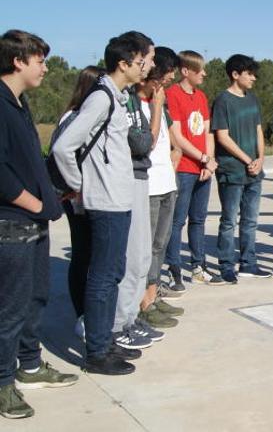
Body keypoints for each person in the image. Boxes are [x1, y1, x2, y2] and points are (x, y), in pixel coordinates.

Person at [54, 32, 155, 375]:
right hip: (105, 201)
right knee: (102, 277)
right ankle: (96, 352)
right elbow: (63, 147)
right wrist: (80, 186)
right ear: (124, 63)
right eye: (144, 61)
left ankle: (105, 340)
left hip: (118, 197)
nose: (148, 67)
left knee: (111, 274)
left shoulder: (118, 94)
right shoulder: (101, 97)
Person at [0, 30, 76, 419]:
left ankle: (29, 366)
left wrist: (51, 196)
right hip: (11, 223)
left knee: (35, 298)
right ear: (18, 61)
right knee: (9, 308)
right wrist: (35, 203)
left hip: (34, 221)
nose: (45, 68)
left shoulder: (18, 101)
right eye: (40, 61)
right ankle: (3, 384)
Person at [111, 32, 159, 352]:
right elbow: (141, 142)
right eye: (148, 59)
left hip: (140, 175)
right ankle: (117, 325)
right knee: (129, 258)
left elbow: (143, 142)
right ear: (130, 59)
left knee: (142, 256)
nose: (150, 65)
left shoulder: (130, 96)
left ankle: (129, 318)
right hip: (126, 179)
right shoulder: (112, 95)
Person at [137, 47, 184, 331]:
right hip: (149, 186)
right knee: (147, 248)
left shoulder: (160, 103)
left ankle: (153, 296)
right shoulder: (140, 104)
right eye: (168, 72)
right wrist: (156, 106)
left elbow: (168, 142)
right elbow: (149, 143)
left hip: (167, 182)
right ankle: (144, 303)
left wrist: (176, 155)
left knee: (160, 245)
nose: (170, 78)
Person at [213, 54, 271, 282]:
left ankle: (249, 263)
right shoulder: (223, 101)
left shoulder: (252, 99)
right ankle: (227, 265)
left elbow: (259, 131)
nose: (253, 78)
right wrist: (248, 160)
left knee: (250, 220)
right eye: (249, 73)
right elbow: (222, 137)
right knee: (229, 221)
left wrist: (261, 159)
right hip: (232, 171)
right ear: (235, 74)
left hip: (254, 172)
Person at [164, 51, 220, 286]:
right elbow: (176, 135)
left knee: (198, 219)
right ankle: (173, 268)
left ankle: (199, 266)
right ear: (185, 71)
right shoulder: (172, 94)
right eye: (200, 70)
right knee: (177, 221)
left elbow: (207, 131)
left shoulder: (202, 97)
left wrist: (209, 161)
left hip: (203, 168)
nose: (204, 74)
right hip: (184, 168)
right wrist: (203, 157)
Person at [57, 66, 104, 340]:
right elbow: (61, 154)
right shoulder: (73, 117)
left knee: (94, 257)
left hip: (93, 196)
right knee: (83, 256)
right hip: (77, 199)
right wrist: (76, 186)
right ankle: (81, 314)